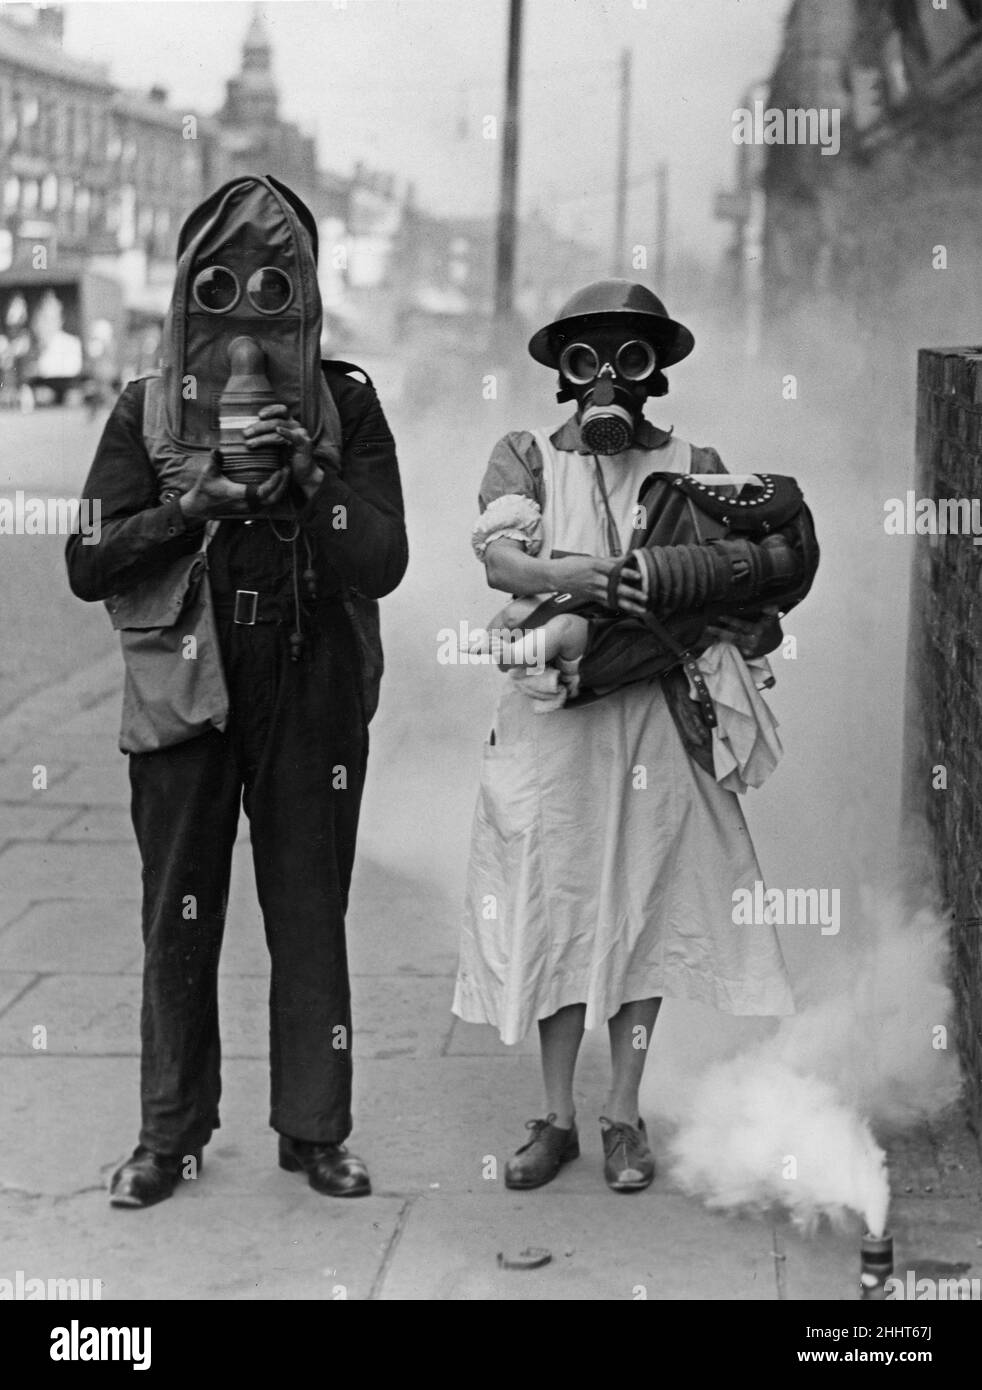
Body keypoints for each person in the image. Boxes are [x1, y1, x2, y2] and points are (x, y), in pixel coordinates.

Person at [65, 175, 408, 1208]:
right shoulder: (147, 407)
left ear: (305, 295)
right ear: (186, 293)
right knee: (177, 911)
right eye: (225, 288)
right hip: (184, 683)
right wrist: (188, 510)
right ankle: (167, 1134)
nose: (250, 317)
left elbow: (383, 557)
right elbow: (86, 559)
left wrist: (313, 483)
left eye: (277, 287)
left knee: (310, 909)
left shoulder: (344, 403)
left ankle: (314, 1130)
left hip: (310, 686)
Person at [453, 280, 814, 1193]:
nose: (607, 378)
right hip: (552, 720)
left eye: (629, 356)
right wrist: (587, 577)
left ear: (656, 371)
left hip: (653, 714)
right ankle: (556, 1115)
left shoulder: (699, 464)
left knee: (643, 906)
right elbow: (500, 560)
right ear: (563, 371)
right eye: (588, 358)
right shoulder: (526, 453)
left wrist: (707, 601)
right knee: (557, 901)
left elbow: (747, 582)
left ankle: (623, 1111)